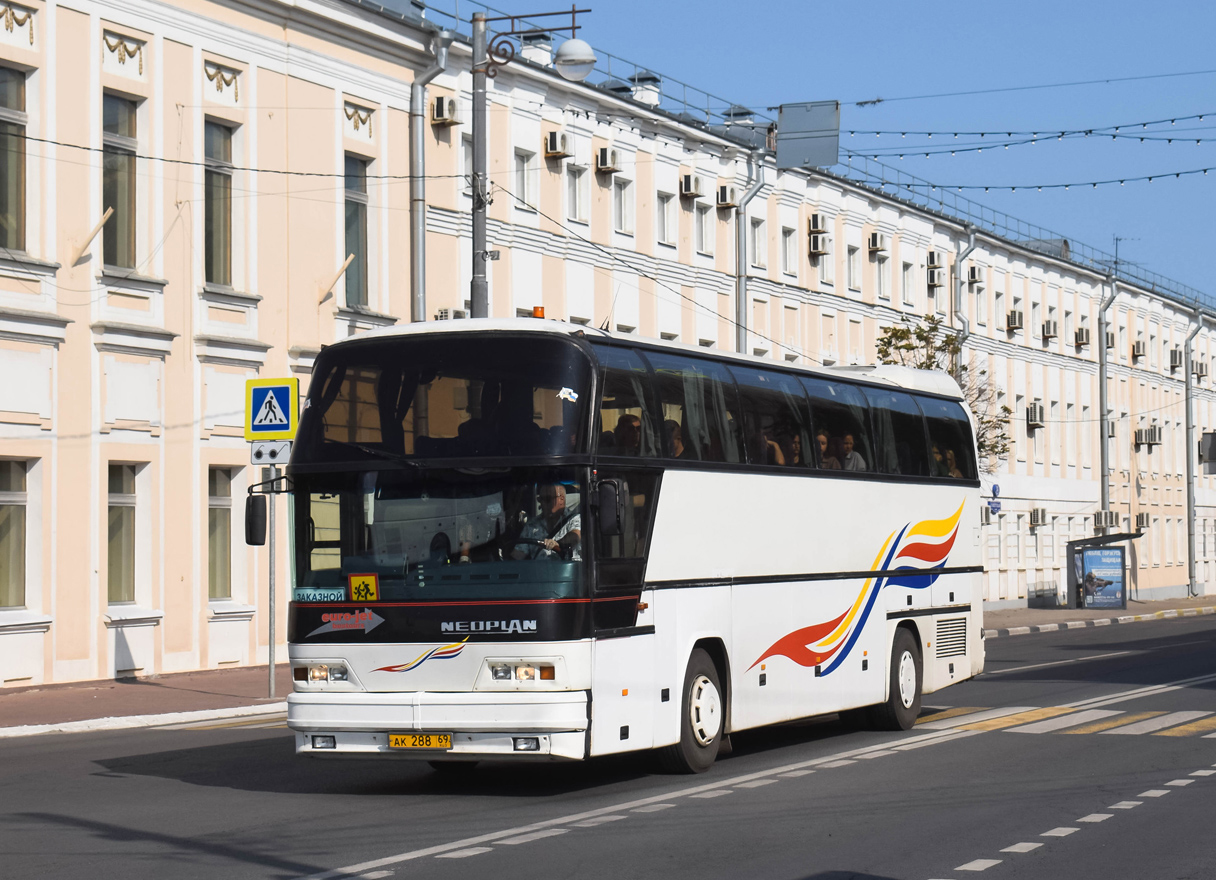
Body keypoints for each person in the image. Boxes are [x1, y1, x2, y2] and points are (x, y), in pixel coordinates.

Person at [512, 484, 581, 560]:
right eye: (540, 499)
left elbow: (575, 536)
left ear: (561, 499)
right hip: (538, 571)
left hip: (566, 570)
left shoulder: (574, 519)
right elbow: (518, 554)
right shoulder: (531, 525)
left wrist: (557, 544)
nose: (543, 503)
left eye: (548, 499)